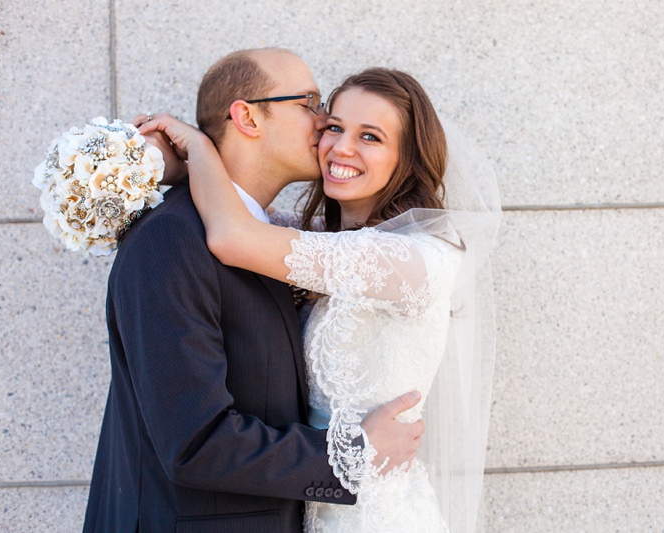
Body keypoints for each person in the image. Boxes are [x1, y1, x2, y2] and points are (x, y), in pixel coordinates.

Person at [143, 65, 501, 532]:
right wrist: (173, 170)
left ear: (406, 158)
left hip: (373, 511)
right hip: (309, 499)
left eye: (370, 137)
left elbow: (234, 235)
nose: (341, 147)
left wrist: (200, 148)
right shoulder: (326, 239)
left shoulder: (415, 257)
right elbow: (242, 209)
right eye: (335, 127)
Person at [83, 48, 426, 533]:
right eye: (309, 102)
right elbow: (195, 441)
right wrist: (357, 454)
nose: (325, 122)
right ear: (246, 116)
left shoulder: (270, 241)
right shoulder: (173, 237)